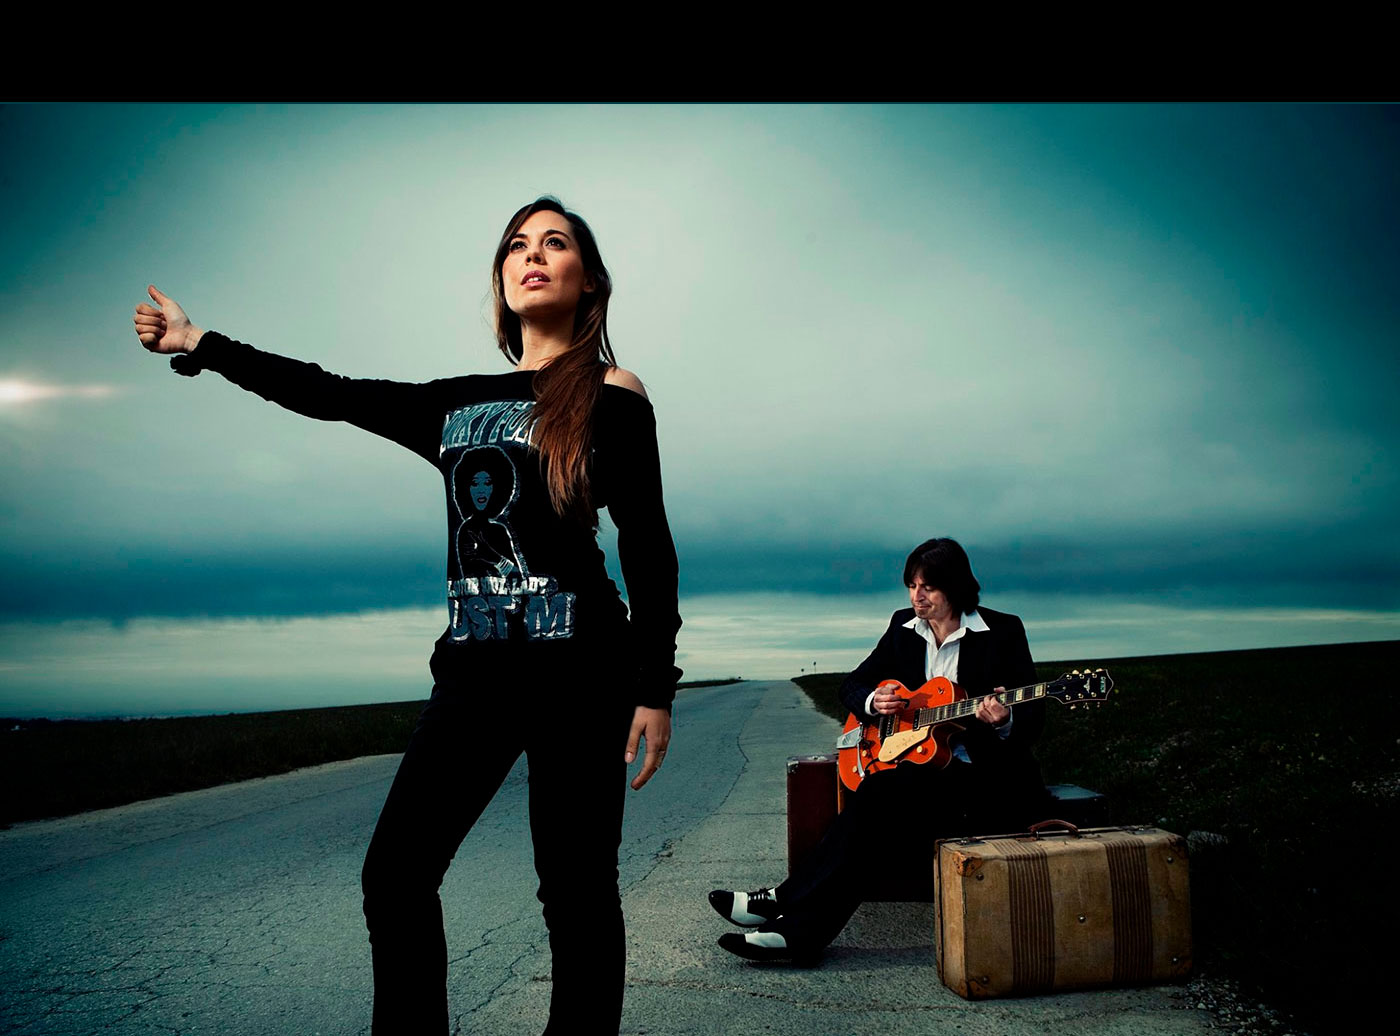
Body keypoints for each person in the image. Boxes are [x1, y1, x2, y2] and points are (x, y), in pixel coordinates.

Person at [132, 197, 681, 1034]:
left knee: (574, 898)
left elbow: (646, 544)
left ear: (589, 281)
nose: (533, 256)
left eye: (556, 243)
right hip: (474, 676)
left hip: (581, 673)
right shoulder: (452, 403)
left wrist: (655, 685)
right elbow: (329, 393)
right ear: (501, 279)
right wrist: (199, 343)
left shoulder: (612, 391)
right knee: (394, 875)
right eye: (517, 246)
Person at [709, 537, 1048, 962]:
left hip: (981, 780)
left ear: (956, 587)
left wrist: (1005, 721)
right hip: (918, 774)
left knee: (882, 793)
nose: (916, 596)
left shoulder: (1002, 632)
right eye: (911, 585)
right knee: (883, 792)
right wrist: (875, 702)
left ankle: (783, 907)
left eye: (927, 587)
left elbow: (1033, 721)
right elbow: (850, 685)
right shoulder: (902, 628)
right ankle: (794, 929)